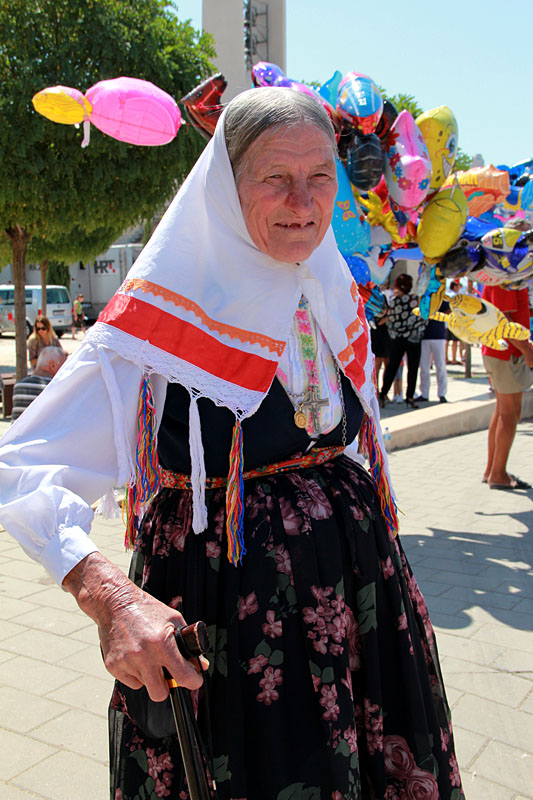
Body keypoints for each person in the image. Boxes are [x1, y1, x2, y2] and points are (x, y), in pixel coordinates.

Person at [0, 88, 464, 799]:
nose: (302, 201)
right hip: (226, 609)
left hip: (355, 586)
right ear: (224, 185)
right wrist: (111, 599)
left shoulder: (327, 285)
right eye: (274, 177)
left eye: (319, 178)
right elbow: (21, 468)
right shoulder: (155, 322)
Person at [481, 282, 533, 490]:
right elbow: (505, 322)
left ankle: (492, 470)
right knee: (510, 414)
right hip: (506, 353)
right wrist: (527, 349)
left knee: (502, 411)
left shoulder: (499, 275)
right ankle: (498, 474)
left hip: (498, 351)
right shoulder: (505, 277)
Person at [379, 273, 427, 409]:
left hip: (398, 339)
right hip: (414, 339)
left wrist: (395, 333)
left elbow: (390, 321)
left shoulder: (395, 301)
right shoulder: (415, 300)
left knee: (392, 367)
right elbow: (422, 319)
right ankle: (410, 397)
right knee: (412, 368)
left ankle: (382, 395)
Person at [11, 346, 67, 421]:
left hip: (18, 432)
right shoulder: (54, 388)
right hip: (42, 432)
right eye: (63, 367)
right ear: (52, 365)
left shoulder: (19, 385)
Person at [417, 302, 448, 403]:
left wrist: (435, 314)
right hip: (424, 336)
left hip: (438, 335)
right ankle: (424, 394)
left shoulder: (441, 298)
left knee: (440, 366)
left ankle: (442, 394)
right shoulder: (423, 298)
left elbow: (448, 311)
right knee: (424, 367)